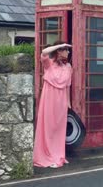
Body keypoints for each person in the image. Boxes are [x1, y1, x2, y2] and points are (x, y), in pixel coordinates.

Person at [33, 40, 73, 168]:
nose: (68, 52)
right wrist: (59, 46)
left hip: (61, 101)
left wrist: (68, 103)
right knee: (49, 128)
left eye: (68, 49)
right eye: (65, 49)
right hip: (49, 99)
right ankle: (48, 156)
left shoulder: (68, 67)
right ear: (58, 51)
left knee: (59, 130)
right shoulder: (49, 64)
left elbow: (67, 86)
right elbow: (44, 52)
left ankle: (58, 156)